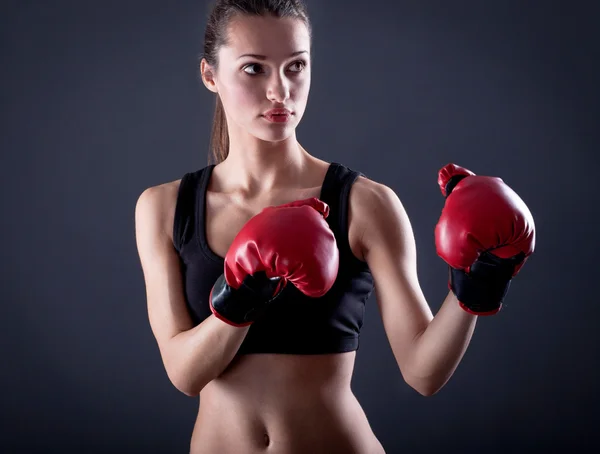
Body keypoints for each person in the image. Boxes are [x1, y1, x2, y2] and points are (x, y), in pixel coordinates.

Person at [134, 1, 536, 453]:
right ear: (210, 75)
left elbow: (422, 373)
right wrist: (243, 293)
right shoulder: (165, 207)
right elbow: (184, 374)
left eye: (296, 66)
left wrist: (480, 280)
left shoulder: (366, 203)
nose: (280, 91)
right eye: (254, 69)